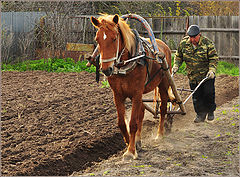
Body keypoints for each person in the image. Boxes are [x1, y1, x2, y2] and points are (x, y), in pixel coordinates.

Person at [172, 25, 218, 123]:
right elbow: (178, 56)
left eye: (194, 37)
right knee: (196, 96)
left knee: (208, 93)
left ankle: (210, 111)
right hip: (192, 75)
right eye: (190, 37)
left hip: (206, 76)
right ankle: (200, 115)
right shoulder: (184, 43)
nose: (192, 39)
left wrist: (212, 70)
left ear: (199, 35)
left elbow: (213, 58)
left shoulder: (207, 43)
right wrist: (176, 65)